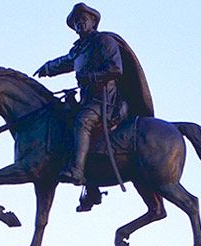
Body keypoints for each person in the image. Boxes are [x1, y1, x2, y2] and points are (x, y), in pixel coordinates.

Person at [34, 3, 153, 211]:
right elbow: (65, 61)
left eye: (84, 19)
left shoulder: (104, 41)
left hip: (107, 101)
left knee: (83, 121)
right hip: (88, 100)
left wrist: (91, 77)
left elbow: (116, 69)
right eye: (76, 22)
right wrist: (47, 67)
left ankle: (78, 171)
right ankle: (93, 185)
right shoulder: (79, 49)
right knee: (63, 121)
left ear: (93, 22)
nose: (80, 23)